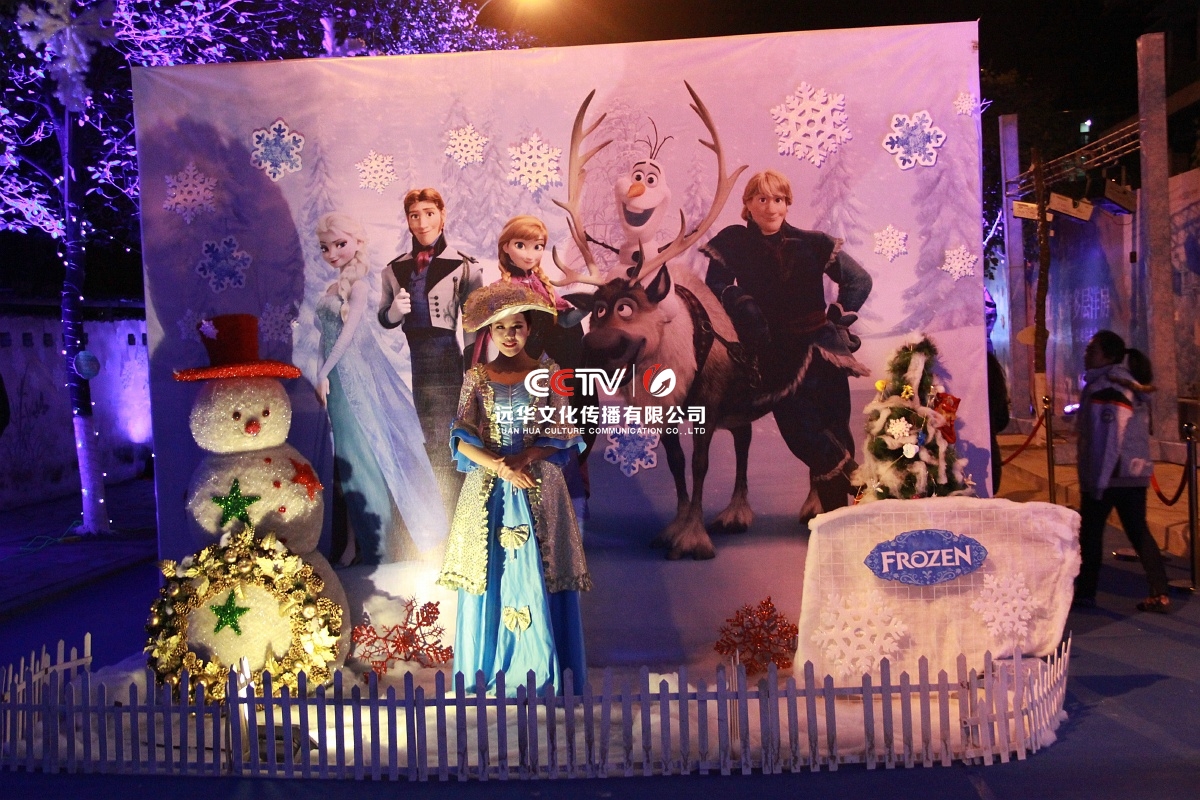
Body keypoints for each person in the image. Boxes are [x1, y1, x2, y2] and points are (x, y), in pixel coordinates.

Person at [437, 282, 590, 696]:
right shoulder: (475, 377)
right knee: (491, 572)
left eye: (517, 326)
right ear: (489, 331)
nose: (509, 335)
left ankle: (542, 671)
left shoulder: (550, 373)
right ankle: (489, 671)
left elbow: (564, 432)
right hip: (489, 489)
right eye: (500, 327)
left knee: (542, 570)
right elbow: (461, 437)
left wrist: (525, 458)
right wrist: (501, 467)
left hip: (538, 484)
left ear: (529, 329)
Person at [702, 169, 871, 523]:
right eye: (761, 199)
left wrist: (839, 316)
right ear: (748, 204)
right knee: (806, 437)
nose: (771, 207)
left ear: (787, 203)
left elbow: (859, 280)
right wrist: (742, 301)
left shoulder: (812, 242)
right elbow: (716, 283)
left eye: (778, 199)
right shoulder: (735, 241)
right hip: (775, 357)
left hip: (824, 352)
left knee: (836, 432)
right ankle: (864, 490)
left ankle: (839, 521)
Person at [314, 212, 448, 563]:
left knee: (362, 455)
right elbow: (325, 338)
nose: (332, 253)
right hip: (334, 381)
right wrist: (320, 374)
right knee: (347, 458)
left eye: (339, 244)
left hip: (353, 378)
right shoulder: (331, 290)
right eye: (325, 247)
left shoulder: (359, 287)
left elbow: (346, 336)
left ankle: (378, 541)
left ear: (357, 243)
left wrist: (324, 372)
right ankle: (355, 541)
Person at [379, 188, 484, 522]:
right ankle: (443, 513)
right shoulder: (394, 269)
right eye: (414, 215)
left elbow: (473, 322)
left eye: (429, 213)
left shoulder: (464, 267)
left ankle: (460, 513)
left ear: (442, 215)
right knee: (430, 433)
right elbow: (385, 317)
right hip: (418, 362)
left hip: (448, 360)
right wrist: (395, 312)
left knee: (452, 434)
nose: (422, 222)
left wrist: (472, 369)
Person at [1073, 329, 1170, 613]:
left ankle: (1086, 593)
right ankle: (1160, 592)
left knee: (1091, 535)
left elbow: (1110, 439)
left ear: (1109, 356)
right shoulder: (1121, 382)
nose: (1086, 354)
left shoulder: (1108, 387)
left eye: (1093, 350)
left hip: (1111, 475)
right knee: (1138, 531)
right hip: (1131, 473)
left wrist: (1098, 481)